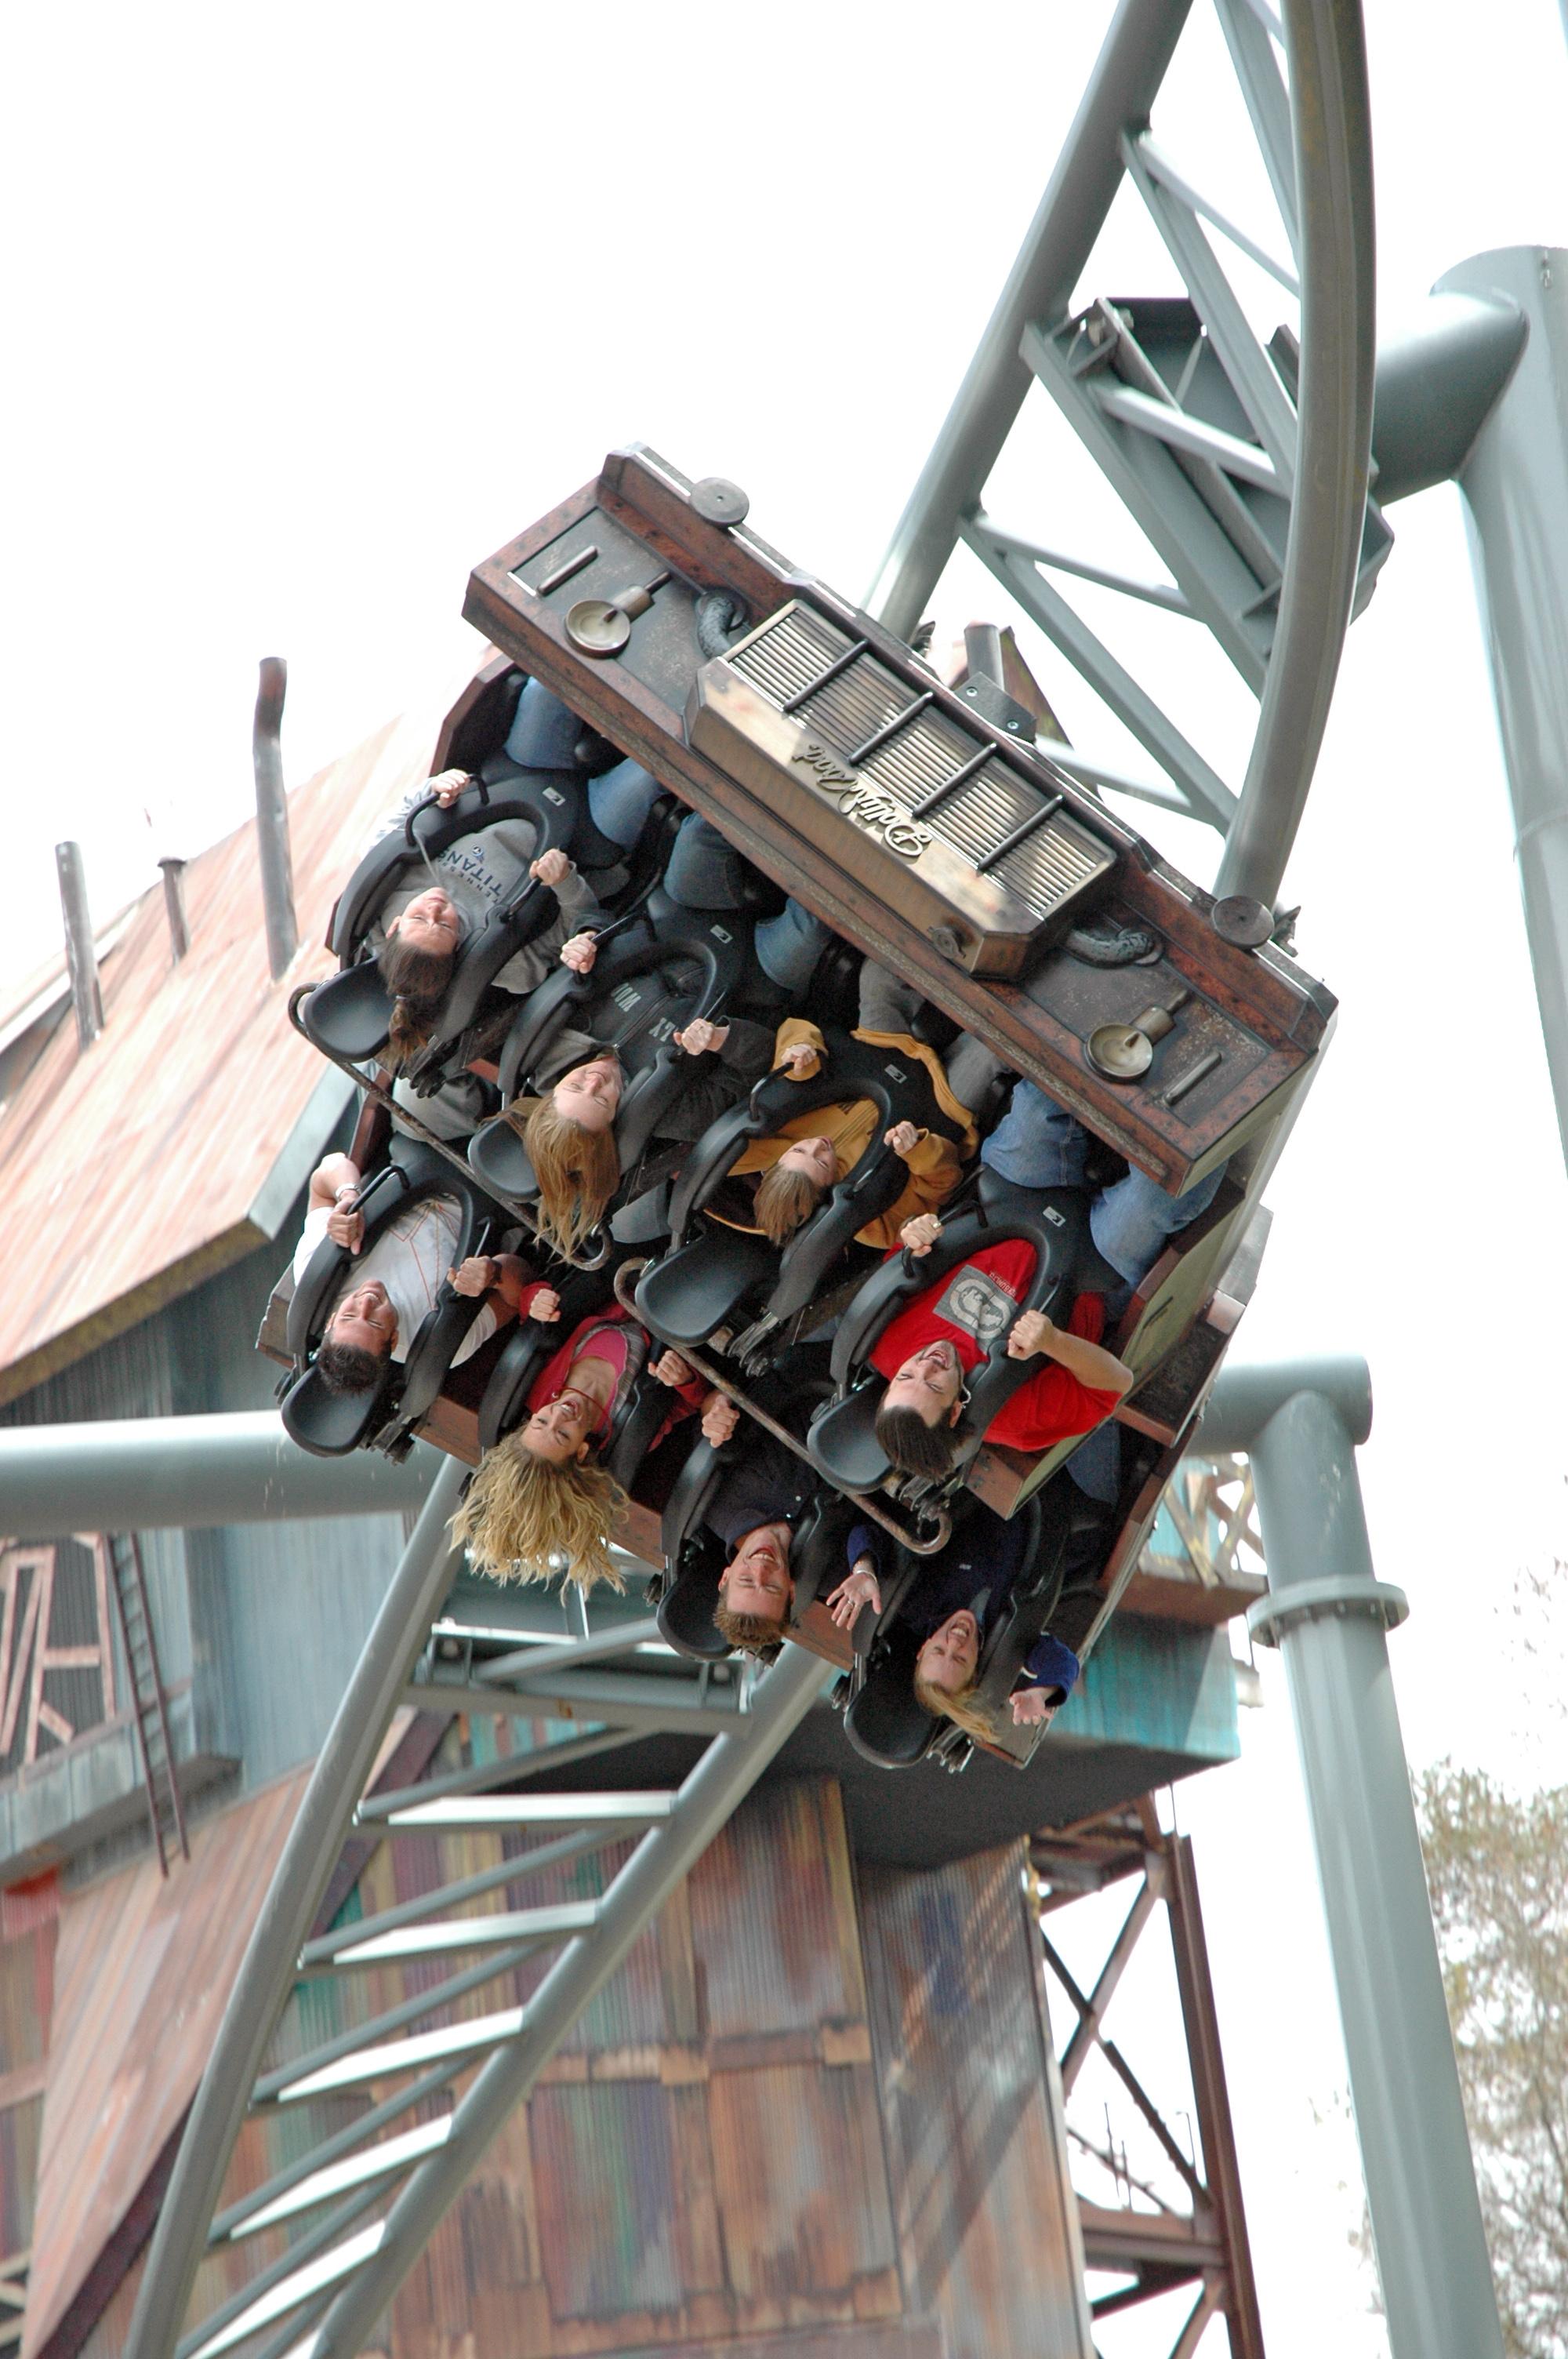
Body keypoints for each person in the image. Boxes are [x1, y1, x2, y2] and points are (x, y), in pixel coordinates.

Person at [452, 1285, 733, 1595]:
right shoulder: (630, 1429)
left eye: (542, 1421)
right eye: (562, 1434)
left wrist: (536, 1300)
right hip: (686, 1310)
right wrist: (684, 1380)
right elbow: (696, 1401)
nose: (559, 1414)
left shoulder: (534, 1386)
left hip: (621, 1275)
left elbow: (535, 1297)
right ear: (582, 1452)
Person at [721, 961, 984, 1249]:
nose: (818, 1143)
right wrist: (919, 1150)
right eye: (821, 1160)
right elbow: (942, 1185)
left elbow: (795, 1032)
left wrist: (798, 1055)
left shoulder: (772, 1133)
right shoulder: (871, 1221)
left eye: (799, 1149)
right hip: (945, 1104)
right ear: (825, 1191)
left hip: (880, 1051)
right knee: (992, 1048)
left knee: (878, 969)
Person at [361, 766, 604, 1066]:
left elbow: (407, 814)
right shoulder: (509, 965)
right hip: (584, 828)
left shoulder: (383, 888)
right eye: (445, 925)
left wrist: (435, 791)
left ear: (394, 926)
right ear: (457, 947)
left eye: (418, 918)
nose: (435, 908)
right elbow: (583, 922)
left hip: (516, 780)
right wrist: (563, 880)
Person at [823, 1502, 1080, 1743]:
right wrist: (1044, 1691)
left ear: (923, 1649)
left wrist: (864, 1570)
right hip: (1050, 1502)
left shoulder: (916, 1604)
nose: (954, 1642)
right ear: (975, 1669)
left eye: (939, 1650)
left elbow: (867, 1532)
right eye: (960, 1659)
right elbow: (1063, 1662)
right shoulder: (1009, 1639)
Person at [292, 1152, 527, 1394]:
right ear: (393, 1339)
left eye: (348, 1316)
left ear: (331, 1321)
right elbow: (518, 1296)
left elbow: (324, 1178)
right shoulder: (440, 1345)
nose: (366, 1304)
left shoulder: (318, 1276)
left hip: (423, 1151)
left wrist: (348, 1195)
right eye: (374, 1321)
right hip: (503, 1198)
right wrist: (494, 1273)